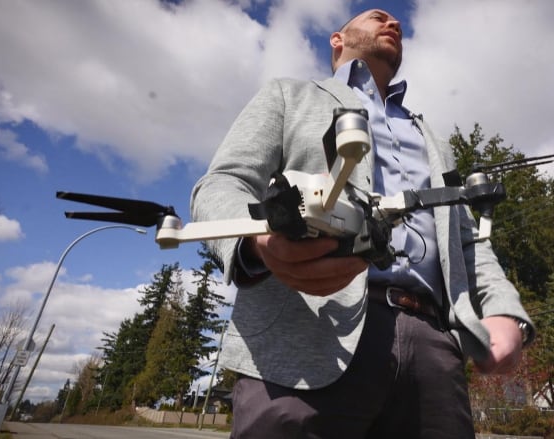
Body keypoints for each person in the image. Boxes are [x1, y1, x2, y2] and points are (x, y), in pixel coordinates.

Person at [191, 8, 534, 438]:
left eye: (398, 23)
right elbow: (221, 184)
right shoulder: (288, 95)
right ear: (338, 39)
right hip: (303, 335)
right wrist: (257, 243)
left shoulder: (433, 140)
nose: (394, 24)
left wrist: (504, 309)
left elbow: (465, 239)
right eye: (377, 16)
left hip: (432, 345)